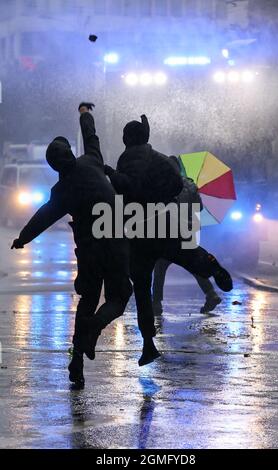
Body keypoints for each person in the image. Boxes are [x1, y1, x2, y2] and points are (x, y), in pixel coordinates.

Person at [11, 103, 132, 388]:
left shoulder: (61, 191)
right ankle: (95, 327)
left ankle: (76, 361)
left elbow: (43, 216)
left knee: (87, 302)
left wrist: (23, 239)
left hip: (89, 252)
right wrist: (85, 114)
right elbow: (92, 137)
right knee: (119, 296)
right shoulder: (91, 160)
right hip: (115, 243)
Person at [104, 115, 233, 366]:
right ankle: (214, 267)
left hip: (140, 232)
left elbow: (129, 185)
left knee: (142, 287)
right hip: (167, 224)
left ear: (127, 139)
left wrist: (110, 173)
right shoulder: (162, 159)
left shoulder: (127, 159)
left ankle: (148, 344)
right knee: (191, 256)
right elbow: (174, 186)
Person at [152, 156, 221, 315]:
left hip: (168, 234)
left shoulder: (163, 186)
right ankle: (211, 294)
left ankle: (156, 304)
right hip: (188, 232)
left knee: (160, 267)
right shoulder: (190, 185)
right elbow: (200, 208)